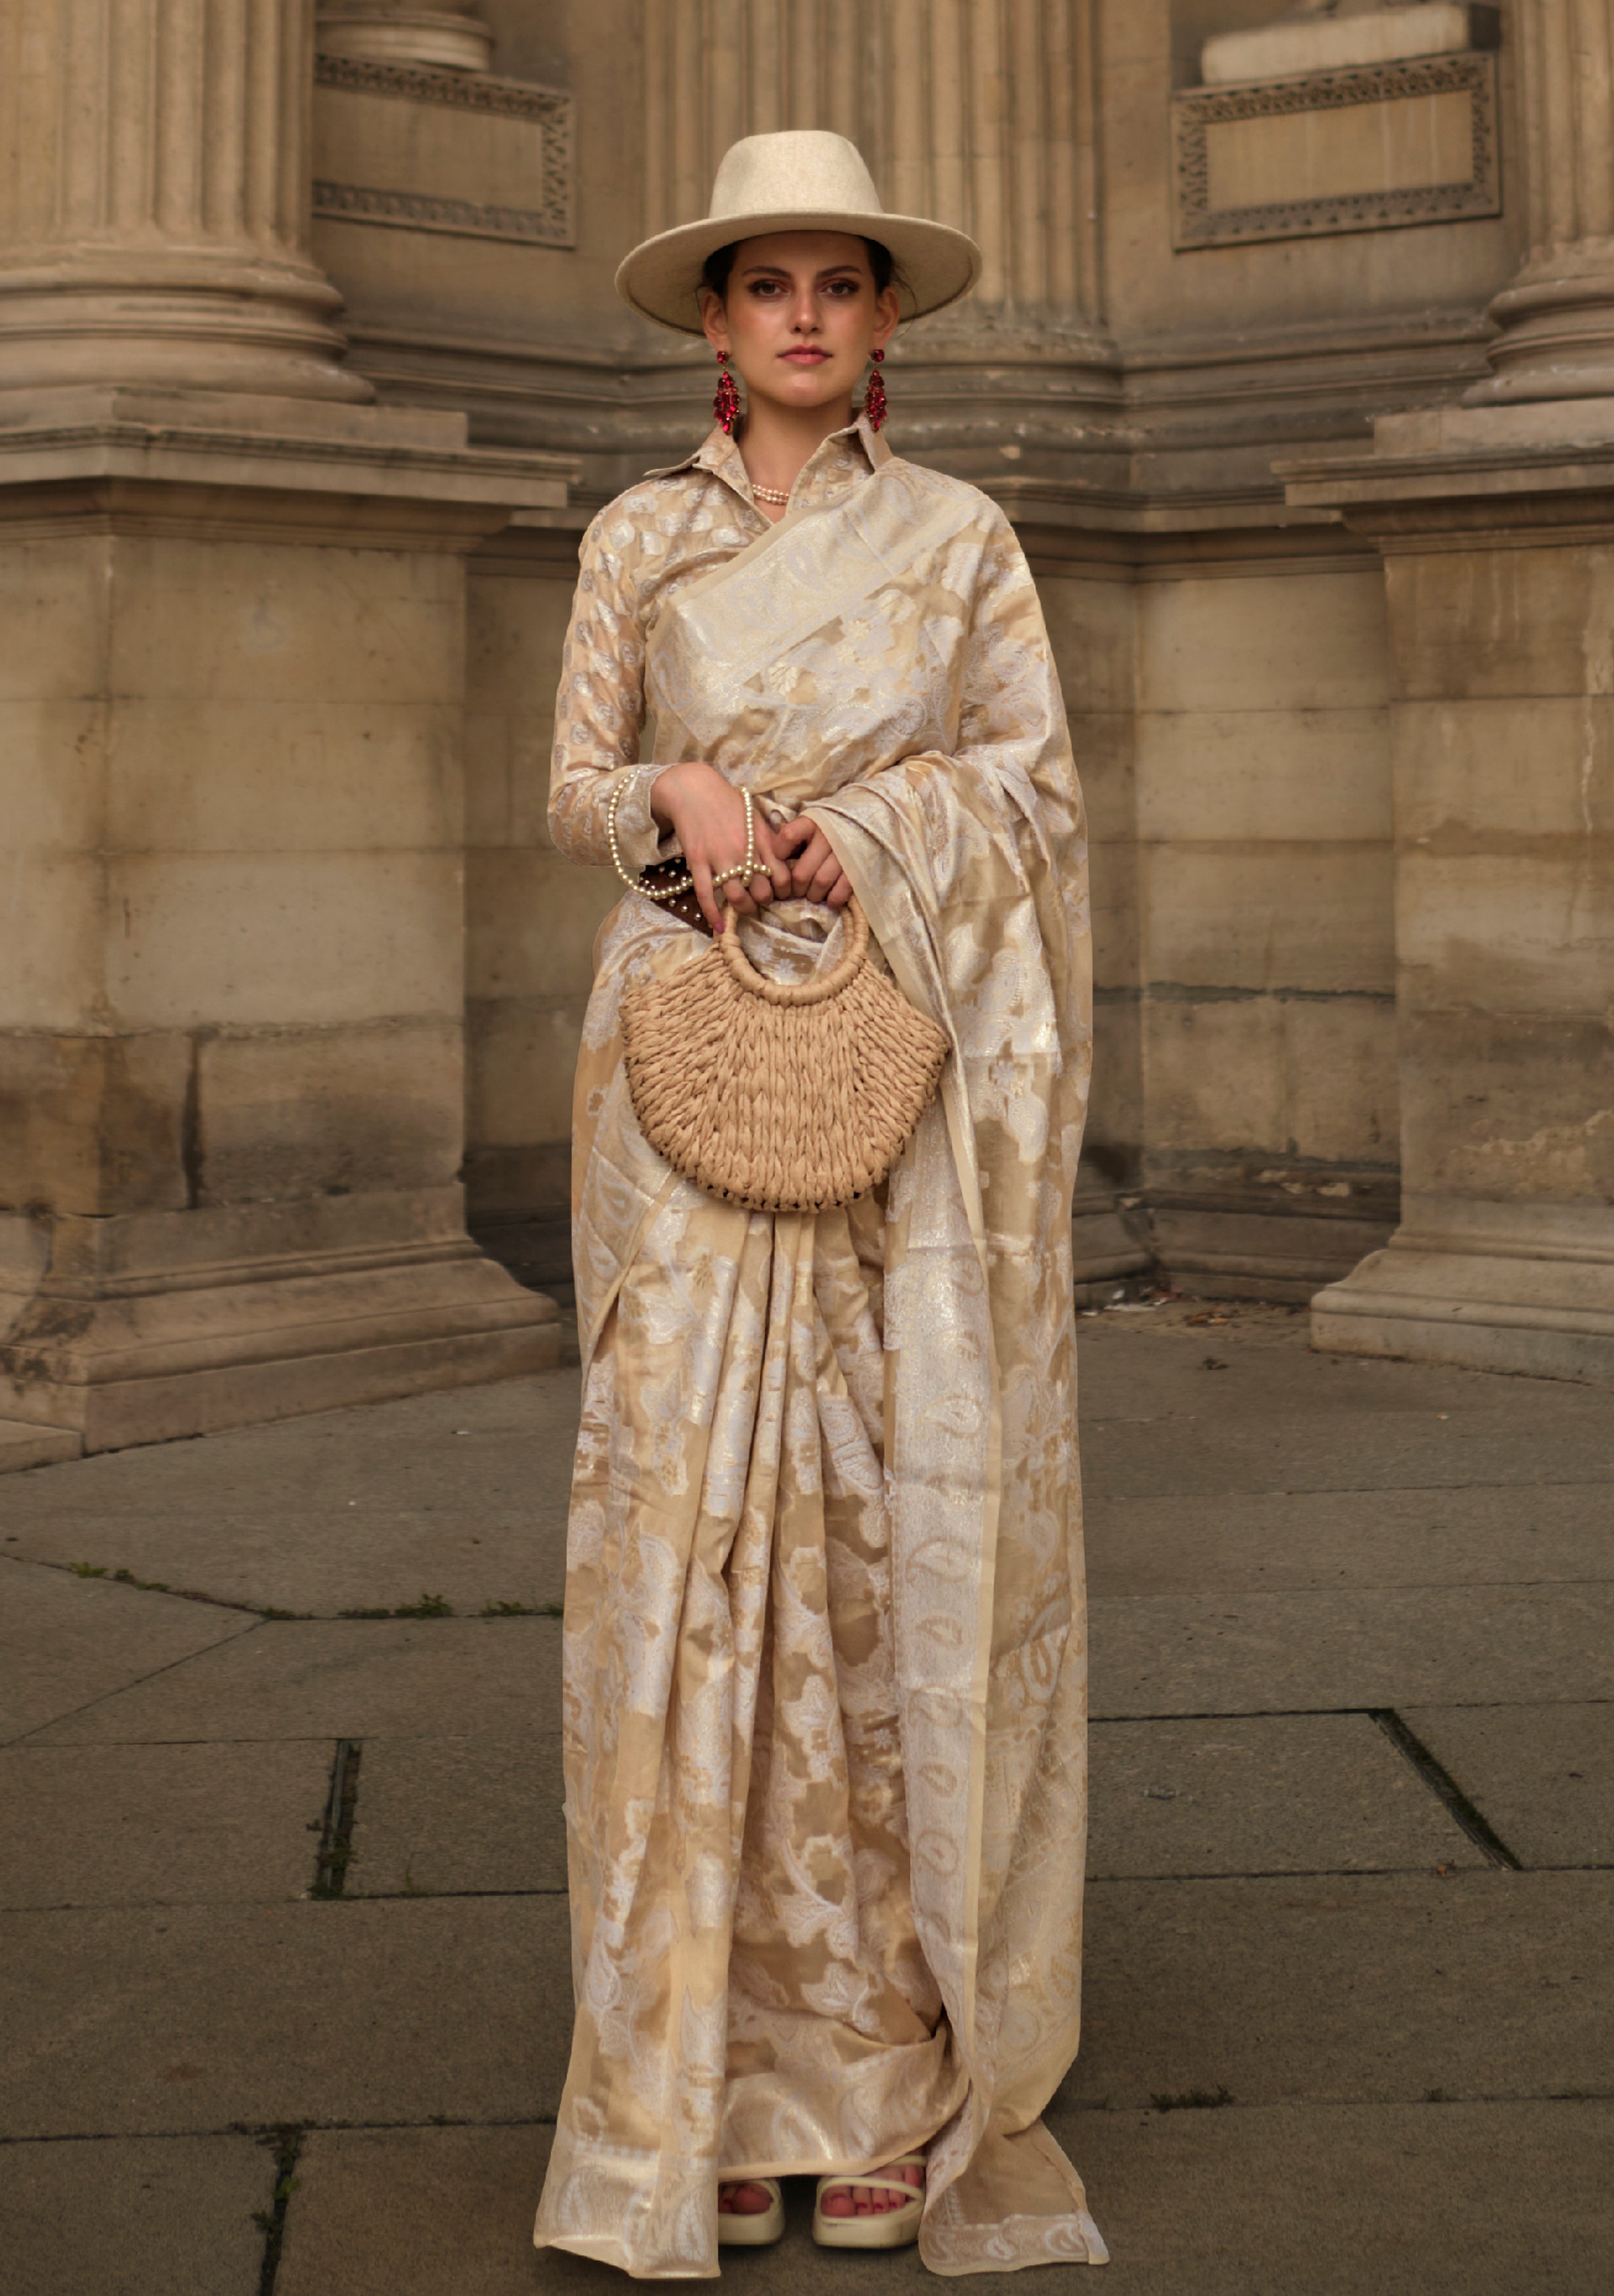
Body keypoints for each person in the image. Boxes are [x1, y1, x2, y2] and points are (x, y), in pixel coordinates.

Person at [532, 130, 1105, 2278]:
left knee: (879, 1547)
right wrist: (672, 801)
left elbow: (1034, 792)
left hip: (895, 1077)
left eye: (836, 285)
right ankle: (685, 2089)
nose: (798, 315)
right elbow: (572, 779)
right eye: (762, 283)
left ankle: (870, 2081)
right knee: (684, 1541)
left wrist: (867, 837)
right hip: (678, 1080)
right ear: (715, 320)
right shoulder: (632, 544)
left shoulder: (963, 541)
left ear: (880, 323)